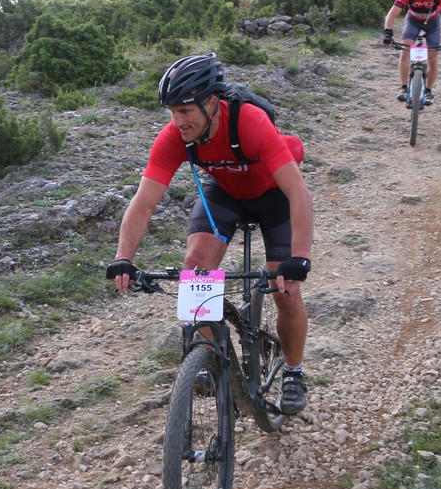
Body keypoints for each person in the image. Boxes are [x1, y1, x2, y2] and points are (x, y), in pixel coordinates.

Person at [106, 54, 315, 414]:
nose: (177, 122)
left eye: (185, 111)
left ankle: (293, 373)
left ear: (212, 104)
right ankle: (209, 357)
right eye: (172, 112)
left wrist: (299, 258)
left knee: (285, 290)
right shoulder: (175, 137)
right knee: (196, 266)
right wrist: (123, 258)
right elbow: (143, 202)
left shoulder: (249, 122)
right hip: (226, 194)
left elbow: (299, 193)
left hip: (274, 197)